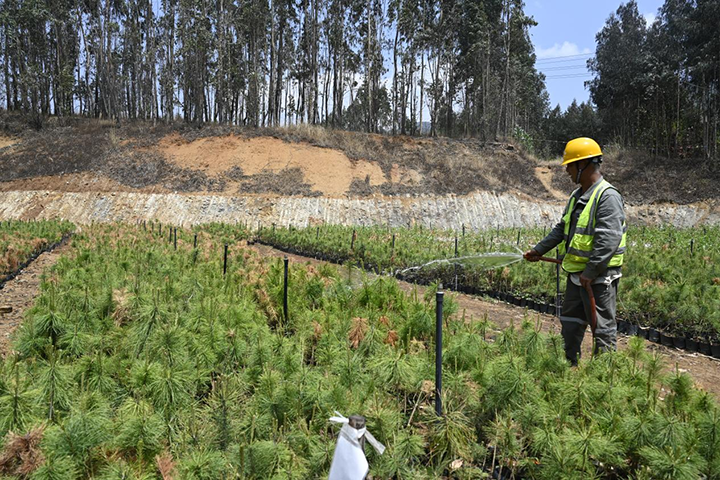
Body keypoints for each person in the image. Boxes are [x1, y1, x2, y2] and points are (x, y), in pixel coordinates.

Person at [524, 137, 626, 365]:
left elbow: (608, 240)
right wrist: (538, 250)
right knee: (570, 323)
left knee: (602, 329)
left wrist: (591, 272)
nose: (567, 171)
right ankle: (567, 367)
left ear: (583, 164)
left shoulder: (607, 196)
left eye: (570, 165)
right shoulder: (577, 196)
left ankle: (603, 375)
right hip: (577, 274)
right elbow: (562, 228)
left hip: (599, 278)